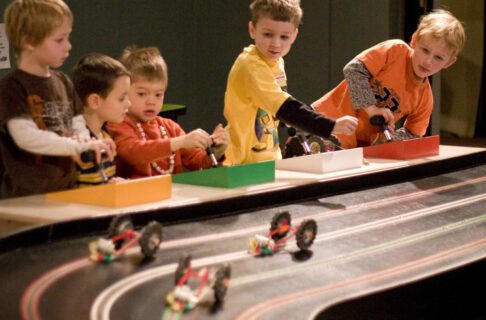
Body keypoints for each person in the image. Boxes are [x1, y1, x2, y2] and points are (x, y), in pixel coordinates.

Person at [0, 0, 113, 198]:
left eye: (67, 37)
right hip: (26, 197)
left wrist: (86, 142)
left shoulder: (64, 82)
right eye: (59, 40)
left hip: (65, 190)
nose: (68, 46)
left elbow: (78, 124)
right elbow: (27, 138)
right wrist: (77, 146)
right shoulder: (12, 87)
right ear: (29, 41)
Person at [223, 0, 357, 165]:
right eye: (268, 34)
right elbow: (286, 108)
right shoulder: (250, 65)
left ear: (294, 36)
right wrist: (329, 125)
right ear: (252, 29)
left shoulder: (276, 62)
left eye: (284, 37)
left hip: (269, 160)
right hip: (242, 163)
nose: (276, 44)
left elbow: (277, 111)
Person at [313, 9, 466, 149]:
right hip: (327, 123)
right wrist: (372, 109)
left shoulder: (425, 99)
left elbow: (413, 133)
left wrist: (388, 138)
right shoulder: (395, 51)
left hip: (355, 147)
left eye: (438, 57)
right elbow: (353, 70)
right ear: (414, 40)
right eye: (425, 50)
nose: (428, 62)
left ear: (449, 62)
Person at [107, 47, 229, 179]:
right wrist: (180, 142)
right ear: (124, 92)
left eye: (158, 94)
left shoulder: (170, 127)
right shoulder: (118, 123)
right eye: (142, 94)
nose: (151, 101)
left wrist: (216, 152)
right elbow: (133, 152)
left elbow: (197, 162)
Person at [72, 53, 131, 186]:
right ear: (95, 101)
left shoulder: (106, 136)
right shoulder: (77, 144)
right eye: (121, 98)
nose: (129, 104)